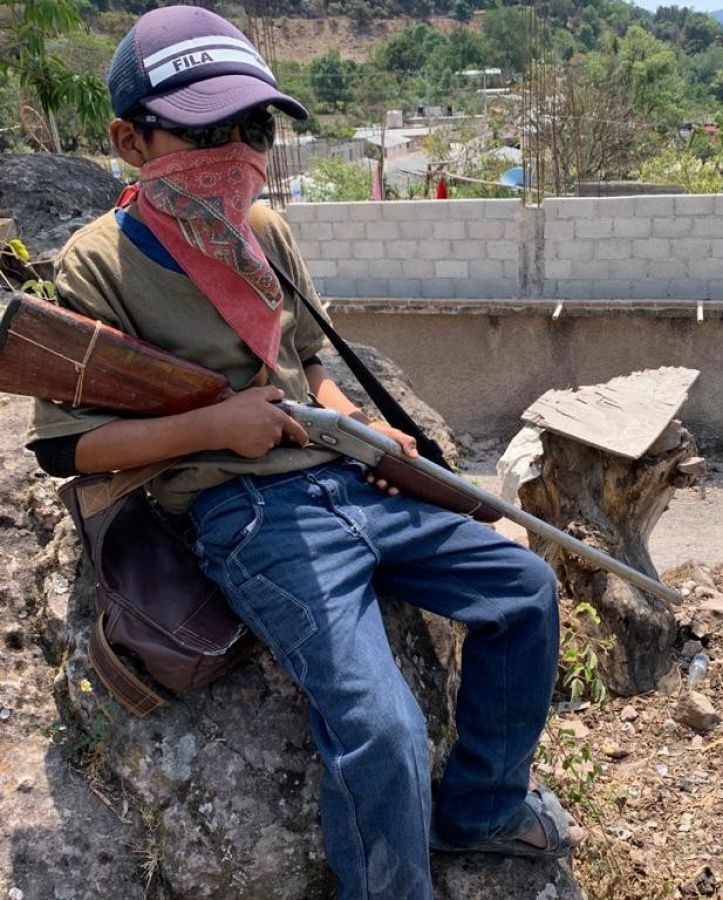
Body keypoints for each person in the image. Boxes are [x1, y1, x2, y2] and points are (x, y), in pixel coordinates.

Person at [24, 7, 578, 898]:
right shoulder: (97, 265)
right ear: (130, 141)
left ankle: (479, 812)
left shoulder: (263, 232)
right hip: (244, 514)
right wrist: (217, 426)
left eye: (254, 129)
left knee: (525, 589)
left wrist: (360, 426)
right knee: (383, 728)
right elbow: (71, 447)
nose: (236, 152)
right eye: (204, 131)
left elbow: (307, 361)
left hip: (345, 479)